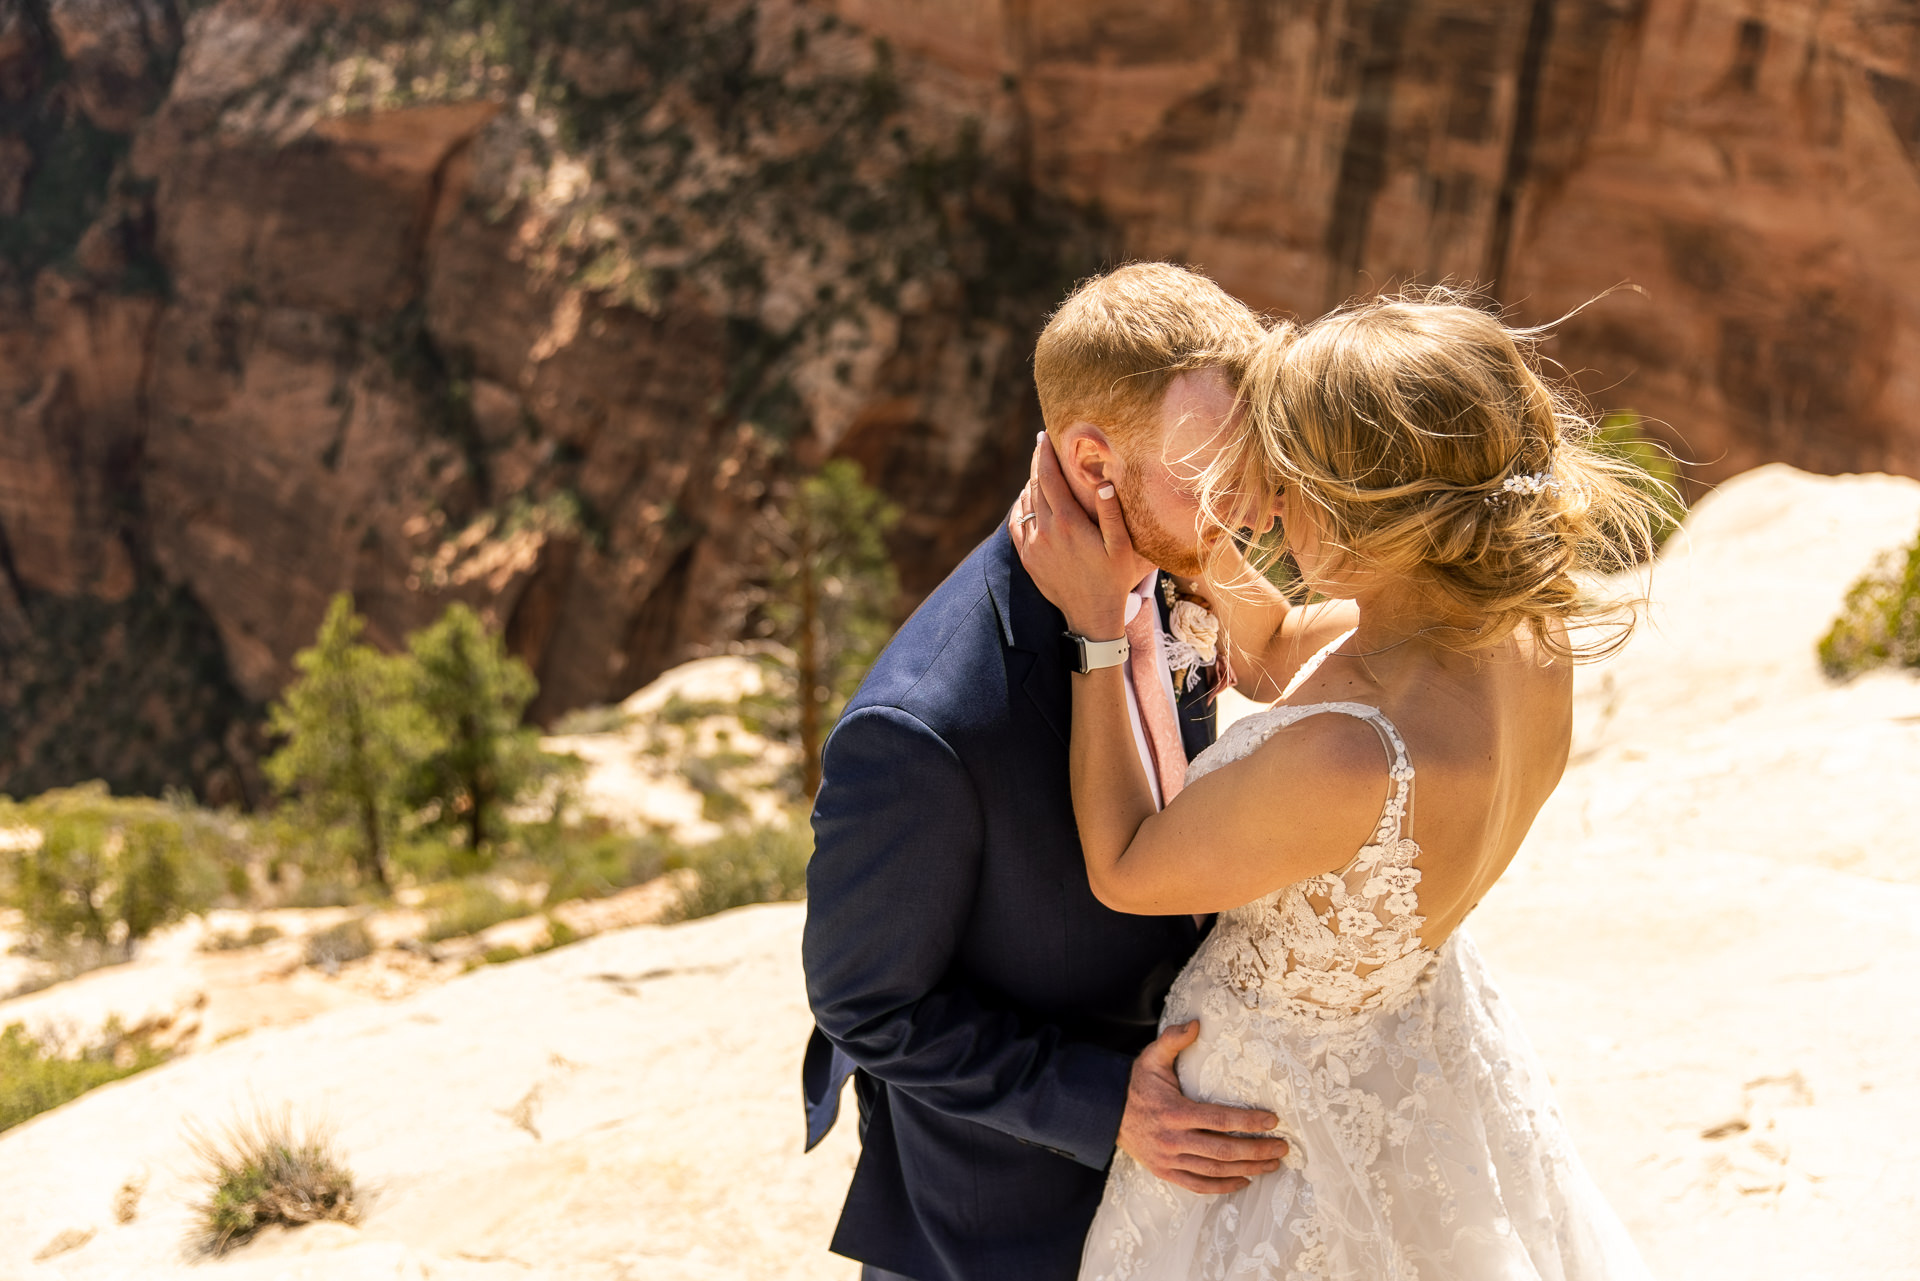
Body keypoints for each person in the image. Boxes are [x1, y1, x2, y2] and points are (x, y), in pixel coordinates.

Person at [1010, 290, 1663, 1280]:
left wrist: (1100, 629)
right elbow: (1275, 650)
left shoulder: (1354, 755)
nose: (1266, 505)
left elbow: (1127, 865)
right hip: (1418, 1051)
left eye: (1289, 480)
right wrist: (1200, 544)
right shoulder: (1523, 634)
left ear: (1369, 511)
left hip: (1275, 1130)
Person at [801, 263, 1292, 1281]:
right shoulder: (926, 726)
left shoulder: (1166, 561)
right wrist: (1107, 1101)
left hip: (1192, 1188)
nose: (1245, 509)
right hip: (1007, 1216)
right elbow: (866, 1004)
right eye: (1213, 475)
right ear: (1092, 463)